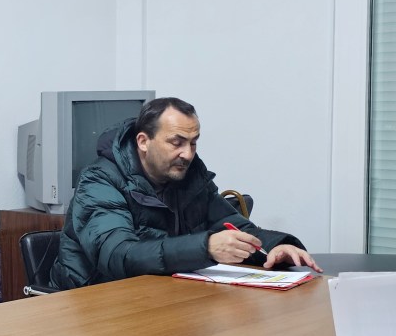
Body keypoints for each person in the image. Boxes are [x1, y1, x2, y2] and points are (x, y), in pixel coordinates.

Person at [53, 97, 321, 289]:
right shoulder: (99, 181)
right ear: (143, 142)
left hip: (158, 296)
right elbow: (119, 256)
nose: (188, 154)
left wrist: (276, 246)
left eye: (193, 143)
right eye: (177, 142)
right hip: (91, 301)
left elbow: (232, 226)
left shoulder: (187, 175)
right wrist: (206, 247)